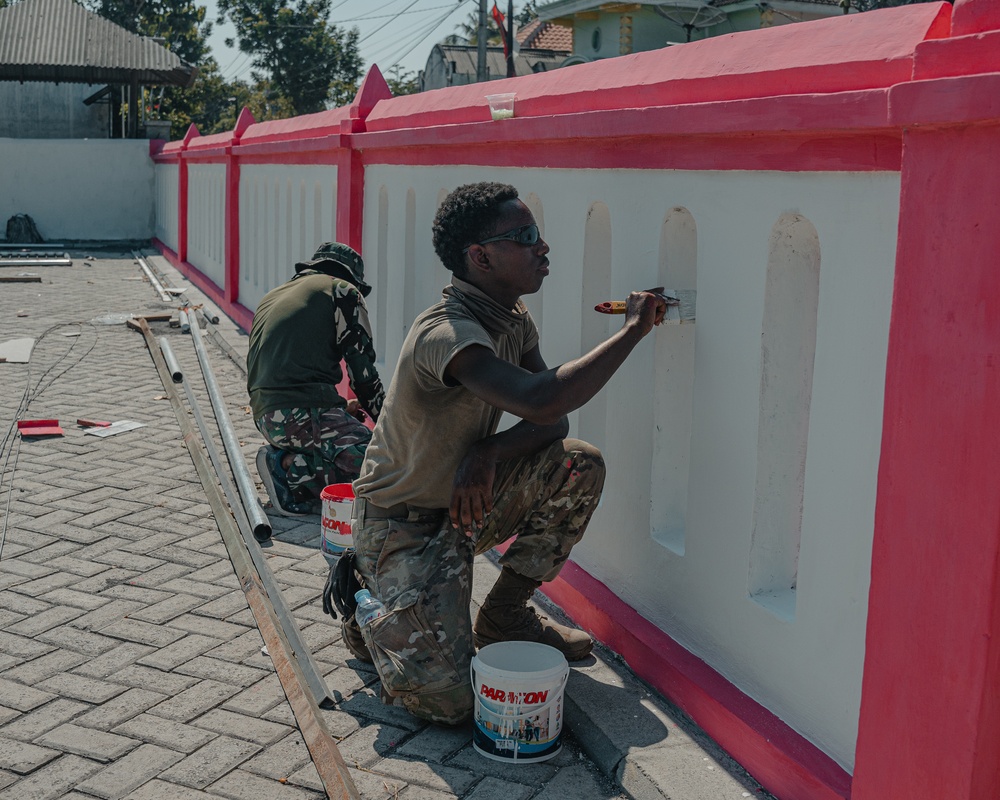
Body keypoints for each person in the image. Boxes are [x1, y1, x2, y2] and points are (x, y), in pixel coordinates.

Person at [348, 182, 671, 725]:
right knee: (449, 707)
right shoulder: (445, 334)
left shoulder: (513, 319)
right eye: (525, 238)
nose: (542, 247)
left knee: (577, 462)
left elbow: (553, 421)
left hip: (460, 509)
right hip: (400, 528)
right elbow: (540, 397)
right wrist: (634, 330)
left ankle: (504, 615)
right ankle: (370, 608)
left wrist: (489, 450)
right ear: (480, 257)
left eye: (538, 234)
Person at [247, 242, 385, 516]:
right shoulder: (343, 291)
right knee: (385, 464)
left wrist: (339, 410)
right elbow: (364, 379)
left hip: (267, 416)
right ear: (351, 278)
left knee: (358, 448)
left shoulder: (274, 294)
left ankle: (292, 457)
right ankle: (289, 469)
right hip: (298, 415)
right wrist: (394, 430)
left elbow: (288, 372)